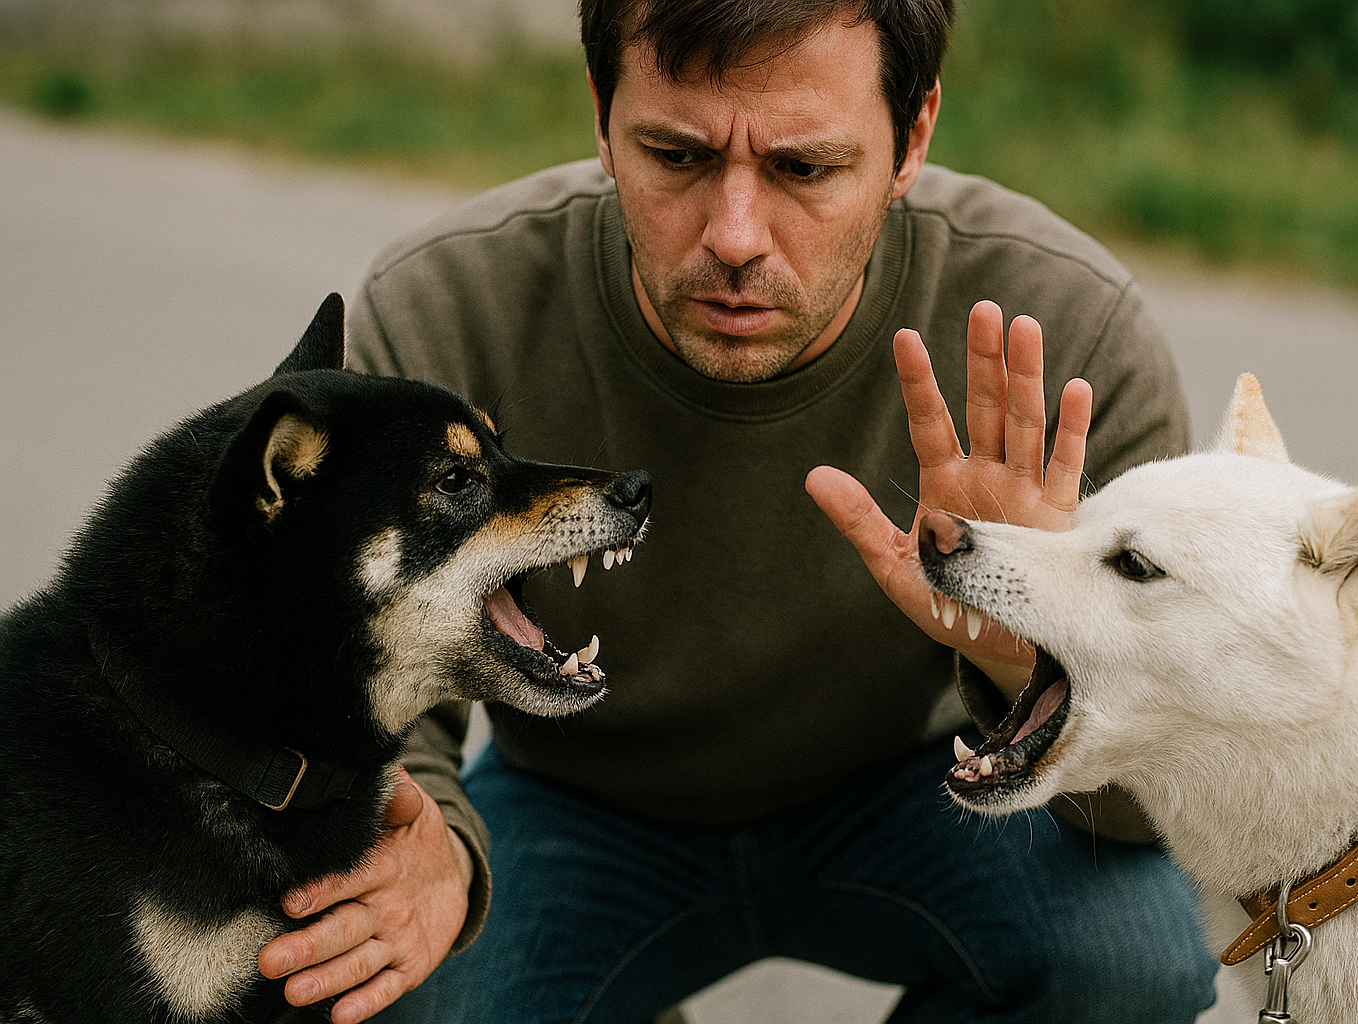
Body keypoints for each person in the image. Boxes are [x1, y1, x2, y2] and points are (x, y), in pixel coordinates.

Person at [257, 1, 1216, 1021]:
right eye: (675, 155)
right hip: (581, 806)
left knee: (1134, 958)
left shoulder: (1065, 330)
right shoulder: (449, 305)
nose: (735, 237)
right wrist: (435, 844)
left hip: (926, 786)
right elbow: (353, 690)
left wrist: (1022, 648)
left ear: (913, 136)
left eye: (806, 169)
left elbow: (1153, 814)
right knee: (376, 983)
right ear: (599, 112)